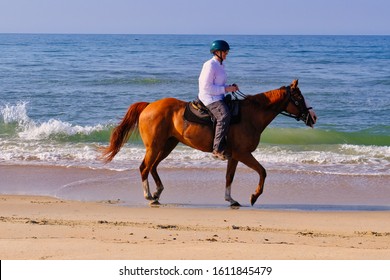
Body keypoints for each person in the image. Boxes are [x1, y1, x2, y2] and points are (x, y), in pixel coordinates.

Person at [198, 40, 239, 160]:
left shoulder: (220, 65)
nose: (227, 53)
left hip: (218, 96)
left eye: (227, 51)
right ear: (217, 52)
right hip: (209, 97)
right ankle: (217, 148)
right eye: (225, 51)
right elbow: (206, 87)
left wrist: (230, 87)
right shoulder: (210, 65)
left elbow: (218, 83)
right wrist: (226, 89)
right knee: (224, 116)